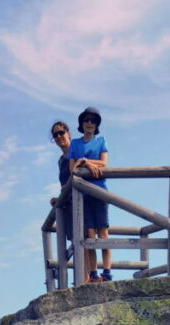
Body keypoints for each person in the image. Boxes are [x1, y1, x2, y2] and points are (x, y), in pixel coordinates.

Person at [68, 106, 111, 282]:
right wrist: (85, 164)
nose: (90, 123)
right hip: (82, 196)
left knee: (103, 232)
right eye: (86, 120)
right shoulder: (75, 144)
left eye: (93, 121)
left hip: (99, 191)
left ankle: (107, 273)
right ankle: (93, 274)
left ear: (97, 124)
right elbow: (72, 168)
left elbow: (104, 163)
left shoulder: (101, 141)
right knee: (89, 234)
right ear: (81, 123)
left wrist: (84, 161)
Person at [49, 120, 73, 249]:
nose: (58, 136)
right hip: (69, 205)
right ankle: (84, 270)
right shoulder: (61, 161)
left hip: (82, 201)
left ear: (68, 133)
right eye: (55, 135)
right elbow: (65, 184)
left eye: (61, 132)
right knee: (76, 242)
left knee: (85, 239)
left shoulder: (77, 151)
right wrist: (60, 198)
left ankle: (90, 270)